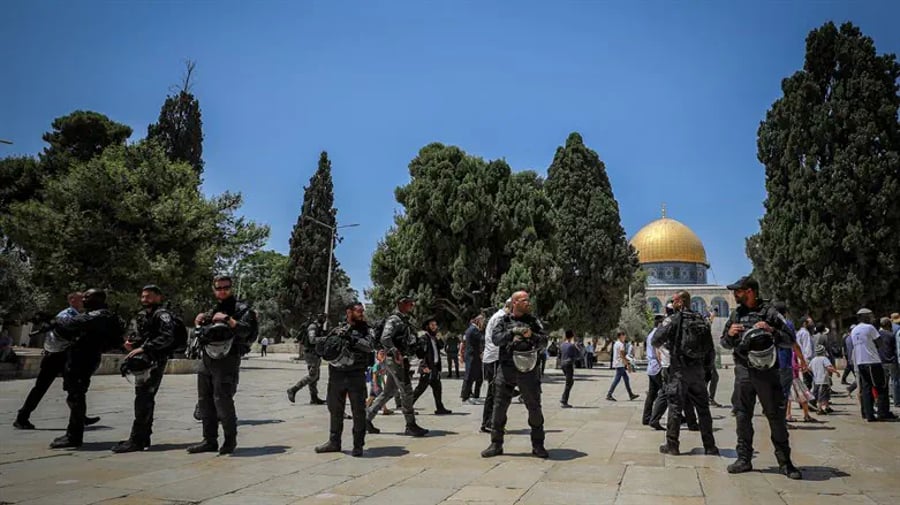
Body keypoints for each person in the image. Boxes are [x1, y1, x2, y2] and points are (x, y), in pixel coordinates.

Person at [720, 276, 801, 480]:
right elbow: (725, 343)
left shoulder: (770, 312)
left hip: (766, 373)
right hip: (744, 371)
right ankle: (744, 459)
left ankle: (785, 462)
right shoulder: (736, 314)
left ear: (749, 291)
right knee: (742, 416)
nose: (734, 295)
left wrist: (771, 330)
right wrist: (730, 333)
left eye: (738, 291)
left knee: (775, 416)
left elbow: (790, 339)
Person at [187, 275, 258, 455]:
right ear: (214, 289)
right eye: (218, 288)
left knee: (223, 400)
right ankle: (209, 440)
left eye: (225, 287)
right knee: (205, 401)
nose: (222, 290)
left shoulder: (242, 309)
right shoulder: (213, 310)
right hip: (207, 358)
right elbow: (202, 333)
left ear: (231, 287)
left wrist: (229, 320)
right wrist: (199, 322)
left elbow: (248, 333)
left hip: (228, 359)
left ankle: (229, 441)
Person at [49, 289, 124, 449]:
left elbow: (71, 323)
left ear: (98, 299)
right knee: (74, 395)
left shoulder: (98, 315)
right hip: (82, 356)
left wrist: (55, 320)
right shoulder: (100, 315)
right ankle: (73, 432)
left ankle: (74, 436)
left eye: (87, 297)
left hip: (84, 358)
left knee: (76, 395)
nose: (83, 299)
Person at [15, 293, 101, 430]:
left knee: (73, 388)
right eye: (81, 299)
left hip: (65, 355)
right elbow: (58, 337)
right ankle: (22, 417)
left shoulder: (76, 315)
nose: (83, 301)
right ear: (72, 300)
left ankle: (79, 417)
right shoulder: (65, 315)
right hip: (55, 356)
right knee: (41, 387)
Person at [481, 290, 548, 459]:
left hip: (529, 370)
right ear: (515, 303)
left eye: (528, 300)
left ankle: (538, 444)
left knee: (534, 408)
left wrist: (530, 335)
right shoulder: (503, 321)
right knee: (499, 407)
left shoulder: (533, 322)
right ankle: (496, 444)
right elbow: (496, 339)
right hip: (507, 369)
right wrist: (512, 332)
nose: (528, 303)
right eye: (524, 300)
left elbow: (544, 340)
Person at [112, 285, 178, 453]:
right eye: (143, 297)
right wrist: (132, 344)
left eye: (149, 297)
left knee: (143, 398)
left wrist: (146, 347)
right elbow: (144, 335)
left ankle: (136, 440)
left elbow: (167, 336)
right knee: (143, 397)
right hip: (144, 361)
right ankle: (143, 436)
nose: (144, 300)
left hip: (155, 360)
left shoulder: (163, 315)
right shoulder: (144, 316)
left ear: (158, 297)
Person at [652, 290, 718, 456]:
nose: (672, 303)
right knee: (703, 410)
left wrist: (669, 344)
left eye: (674, 300)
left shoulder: (674, 319)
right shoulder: (701, 320)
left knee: (675, 408)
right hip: (698, 372)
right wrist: (707, 370)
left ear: (681, 302)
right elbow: (710, 349)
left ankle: (672, 445)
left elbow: (655, 340)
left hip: (679, 371)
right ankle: (710, 446)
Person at [314, 302, 374, 457]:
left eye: (362, 310)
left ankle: (358, 445)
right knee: (335, 409)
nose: (362, 313)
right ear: (349, 312)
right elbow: (327, 345)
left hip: (355, 375)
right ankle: (334, 442)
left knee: (358, 411)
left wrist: (353, 339)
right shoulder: (338, 328)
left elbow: (369, 346)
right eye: (359, 310)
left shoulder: (366, 329)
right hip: (337, 375)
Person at [365, 295, 428, 437]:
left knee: (388, 392)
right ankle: (410, 425)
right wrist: (395, 352)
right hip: (395, 360)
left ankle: (367, 418)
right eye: (409, 304)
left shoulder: (403, 320)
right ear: (401, 304)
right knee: (407, 390)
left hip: (399, 359)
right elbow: (385, 338)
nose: (411, 306)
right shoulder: (394, 319)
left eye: (412, 304)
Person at [849, 309, 895, 421]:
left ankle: (868, 414)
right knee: (881, 387)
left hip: (860, 362)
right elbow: (879, 343)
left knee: (866, 388)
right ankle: (883, 412)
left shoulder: (854, 330)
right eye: (870, 316)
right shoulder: (870, 328)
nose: (872, 318)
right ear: (864, 317)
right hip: (872, 361)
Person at [481, 299, 510, 433]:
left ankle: (492, 421)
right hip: (494, 358)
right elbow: (498, 339)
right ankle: (487, 422)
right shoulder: (500, 317)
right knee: (493, 392)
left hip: (496, 357)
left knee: (498, 391)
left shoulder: (501, 316)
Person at [412, 317, 452, 415]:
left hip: (434, 368)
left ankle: (440, 408)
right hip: (427, 368)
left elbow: (441, 346)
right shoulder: (424, 338)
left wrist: (438, 337)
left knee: (438, 388)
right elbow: (421, 354)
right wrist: (424, 367)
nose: (435, 327)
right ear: (427, 327)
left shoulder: (434, 338)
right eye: (432, 325)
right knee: (420, 389)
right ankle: (408, 407)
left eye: (435, 325)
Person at [287, 314, 326, 405]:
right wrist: (325, 339)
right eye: (323, 317)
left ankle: (314, 398)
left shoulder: (317, 327)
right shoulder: (312, 327)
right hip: (311, 354)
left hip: (315, 354)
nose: (324, 319)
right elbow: (312, 340)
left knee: (315, 377)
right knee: (313, 376)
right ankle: (293, 389)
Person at [642, 315, 665, 425]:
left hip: (651, 367)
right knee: (665, 393)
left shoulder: (650, 334)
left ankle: (646, 418)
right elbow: (658, 352)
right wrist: (662, 364)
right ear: (660, 324)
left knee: (652, 394)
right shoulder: (657, 335)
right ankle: (655, 418)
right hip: (657, 367)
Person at [606, 331, 639, 401]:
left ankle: (631, 394)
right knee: (617, 379)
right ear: (620, 336)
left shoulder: (616, 343)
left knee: (626, 378)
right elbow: (622, 355)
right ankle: (609, 394)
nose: (625, 337)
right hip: (620, 364)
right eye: (623, 335)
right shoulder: (620, 344)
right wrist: (628, 364)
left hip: (618, 363)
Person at [461, 315, 485, 404]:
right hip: (472, 357)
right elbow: (482, 339)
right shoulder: (473, 330)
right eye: (482, 321)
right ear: (478, 321)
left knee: (479, 377)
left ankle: (476, 396)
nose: (483, 323)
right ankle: (465, 397)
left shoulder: (475, 330)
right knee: (469, 377)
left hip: (476, 357)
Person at [877, 317, 899, 408]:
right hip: (892, 361)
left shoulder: (877, 335)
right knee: (895, 380)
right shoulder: (891, 335)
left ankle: (883, 402)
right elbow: (895, 349)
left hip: (881, 361)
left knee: (883, 383)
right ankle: (897, 401)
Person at [809, 345, 837, 415]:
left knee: (824, 394)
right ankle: (819, 409)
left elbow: (809, 368)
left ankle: (827, 407)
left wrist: (815, 372)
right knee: (822, 395)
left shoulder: (813, 359)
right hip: (823, 380)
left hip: (816, 380)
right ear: (823, 352)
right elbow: (829, 367)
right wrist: (836, 372)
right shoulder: (824, 359)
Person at [559, 330, 579, 408]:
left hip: (563, 364)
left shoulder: (562, 345)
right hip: (569, 364)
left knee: (570, 382)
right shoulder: (571, 346)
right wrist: (576, 346)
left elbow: (560, 355)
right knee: (569, 383)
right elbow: (579, 355)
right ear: (572, 336)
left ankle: (563, 398)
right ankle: (564, 400)